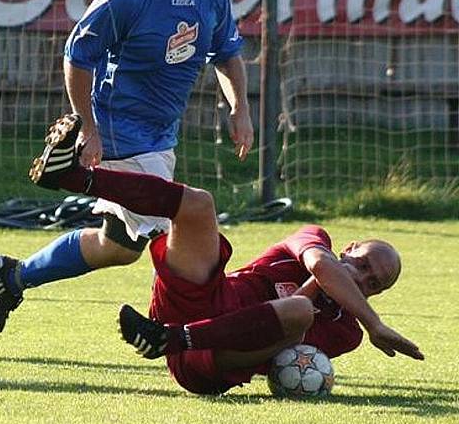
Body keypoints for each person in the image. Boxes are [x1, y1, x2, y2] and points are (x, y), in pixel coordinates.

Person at [0, 0, 253, 333]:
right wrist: (87, 127)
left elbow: (227, 54)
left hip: (161, 135)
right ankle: (179, 328)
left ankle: (15, 276)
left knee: (119, 245)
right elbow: (78, 55)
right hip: (119, 129)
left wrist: (240, 108)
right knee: (182, 219)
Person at [29, 114, 424, 394]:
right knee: (199, 204)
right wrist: (375, 323)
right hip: (203, 299)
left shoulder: (347, 332)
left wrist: (351, 313)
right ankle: (72, 176)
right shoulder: (314, 237)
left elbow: (279, 341)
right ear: (349, 247)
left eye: (374, 282)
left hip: (207, 360)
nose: (363, 276)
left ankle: (170, 339)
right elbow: (321, 264)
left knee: (300, 313)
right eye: (364, 263)